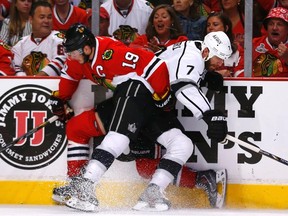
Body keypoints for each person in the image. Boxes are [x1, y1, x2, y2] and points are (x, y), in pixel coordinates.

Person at [49, 23, 231, 212]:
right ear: (208, 50)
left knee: (182, 144)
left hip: (150, 98)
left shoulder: (192, 49)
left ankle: (153, 192)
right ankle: (85, 185)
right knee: (118, 138)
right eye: (219, 58)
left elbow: (165, 66)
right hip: (139, 91)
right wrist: (208, 114)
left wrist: (204, 78)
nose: (220, 63)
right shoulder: (193, 54)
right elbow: (182, 83)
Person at [12, 1, 66, 76]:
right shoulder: (20, 44)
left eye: (49, 17)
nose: (46, 21)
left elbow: (60, 60)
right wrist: (25, 81)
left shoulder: (59, 39)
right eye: (42, 17)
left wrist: (36, 79)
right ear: (31, 19)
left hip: (53, 86)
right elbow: (15, 66)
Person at [205, 11, 243, 77]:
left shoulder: (238, 49)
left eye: (215, 24)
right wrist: (217, 74)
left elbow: (241, 73)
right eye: (208, 25)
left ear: (226, 28)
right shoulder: (200, 49)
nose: (210, 28)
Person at [252, 7, 288, 77]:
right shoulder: (253, 44)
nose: (274, 28)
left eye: (279, 24)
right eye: (271, 24)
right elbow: (239, 71)